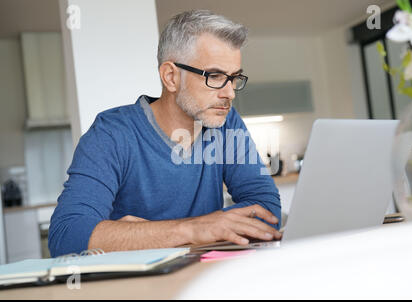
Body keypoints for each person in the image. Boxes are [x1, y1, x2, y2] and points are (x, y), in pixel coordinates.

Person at [48, 10, 282, 257]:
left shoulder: (226, 122)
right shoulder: (112, 133)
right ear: (171, 77)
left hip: (203, 280)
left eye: (234, 78)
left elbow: (266, 210)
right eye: (214, 76)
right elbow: (67, 236)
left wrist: (149, 235)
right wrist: (192, 230)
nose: (230, 93)